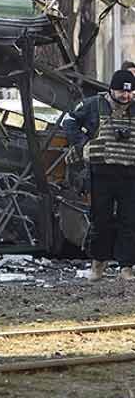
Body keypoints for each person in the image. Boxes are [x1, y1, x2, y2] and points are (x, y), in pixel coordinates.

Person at [62, 69, 135, 282]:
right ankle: (98, 266)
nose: (126, 97)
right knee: (100, 220)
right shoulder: (94, 104)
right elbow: (69, 121)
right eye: (122, 92)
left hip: (130, 173)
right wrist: (83, 144)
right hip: (101, 172)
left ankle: (126, 268)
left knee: (129, 221)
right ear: (111, 89)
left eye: (130, 93)